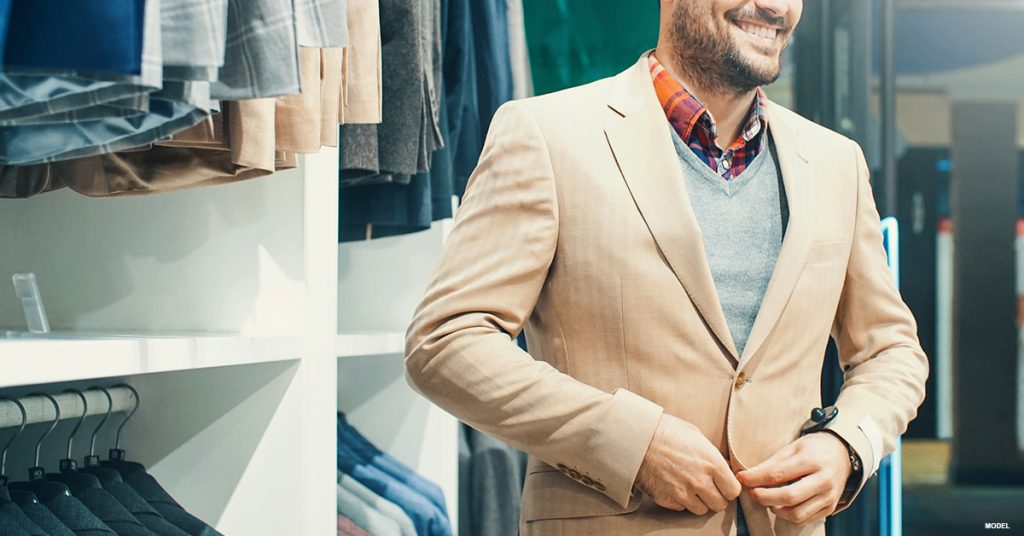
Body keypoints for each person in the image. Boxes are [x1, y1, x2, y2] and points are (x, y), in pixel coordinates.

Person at [404, 0, 929, 534]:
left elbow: (891, 350)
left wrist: (847, 444)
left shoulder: (836, 161)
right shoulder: (546, 135)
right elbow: (446, 342)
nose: (775, 7)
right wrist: (630, 441)